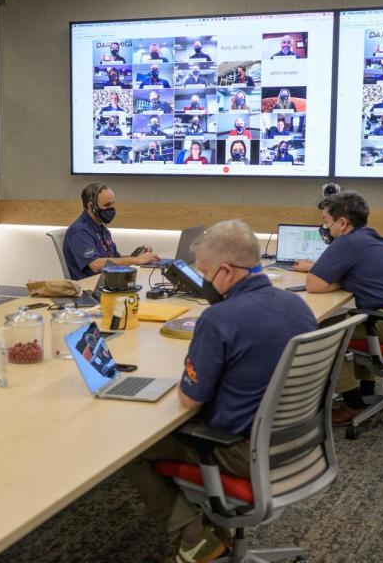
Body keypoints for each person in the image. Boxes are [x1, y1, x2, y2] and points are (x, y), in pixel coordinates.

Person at [124, 219, 316, 563]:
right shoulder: (297, 306)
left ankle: (196, 539)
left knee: (131, 446)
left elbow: (190, 398)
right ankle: (219, 529)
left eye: (204, 272)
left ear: (226, 271)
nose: (201, 281)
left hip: (241, 452)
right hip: (300, 442)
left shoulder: (220, 318)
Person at [292, 192, 383, 424]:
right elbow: (358, 272)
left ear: (342, 223)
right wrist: (336, 275)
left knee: (320, 333)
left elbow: (314, 285)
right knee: (353, 320)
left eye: (326, 221)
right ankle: (366, 393)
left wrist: (324, 274)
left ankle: (353, 405)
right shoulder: (371, 237)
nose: (325, 227)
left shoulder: (346, 242)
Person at [62, 183, 159, 279]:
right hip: (90, 289)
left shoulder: (101, 228)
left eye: (112, 204)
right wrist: (137, 260)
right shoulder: (79, 231)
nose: (111, 209)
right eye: (107, 205)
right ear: (91, 207)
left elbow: (114, 259)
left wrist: (138, 256)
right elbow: (96, 265)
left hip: (108, 283)